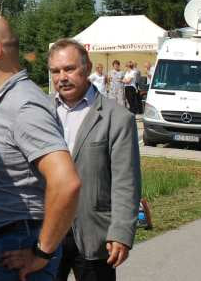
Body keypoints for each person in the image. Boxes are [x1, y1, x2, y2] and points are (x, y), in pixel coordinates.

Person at [0, 15, 81, 280]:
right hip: (0, 249)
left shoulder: (24, 106)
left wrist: (42, 253)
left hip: (13, 253)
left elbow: (66, 182)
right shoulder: (2, 102)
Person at [49, 39, 141, 281]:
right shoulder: (41, 113)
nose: (62, 77)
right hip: (46, 233)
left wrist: (121, 231)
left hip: (95, 234)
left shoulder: (117, 118)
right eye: (55, 71)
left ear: (87, 68)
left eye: (69, 69)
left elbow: (126, 181)